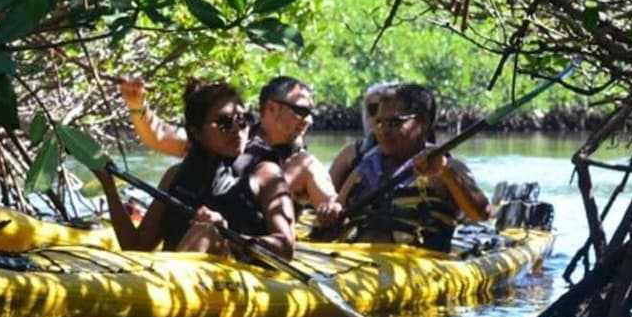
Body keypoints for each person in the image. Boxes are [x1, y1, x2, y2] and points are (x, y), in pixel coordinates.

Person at [96, 80, 296, 260]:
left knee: (206, 231)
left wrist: (229, 235)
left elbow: (286, 247)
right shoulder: (175, 176)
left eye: (243, 119)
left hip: (234, 278)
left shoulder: (266, 173)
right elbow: (136, 246)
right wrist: (109, 187)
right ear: (196, 132)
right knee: (205, 231)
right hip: (183, 277)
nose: (238, 129)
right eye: (225, 122)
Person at [117, 74, 340, 222]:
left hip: (249, 248)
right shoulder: (228, 138)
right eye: (300, 111)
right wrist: (137, 105)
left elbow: (331, 207)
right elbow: (160, 137)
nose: (308, 120)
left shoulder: (303, 163)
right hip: (204, 232)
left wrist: (330, 211)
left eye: (311, 113)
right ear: (271, 108)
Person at [333, 83, 490, 252]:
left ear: (423, 122)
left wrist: (446, 171)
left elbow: (480, 214)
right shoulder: (364, 168)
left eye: (394, 122)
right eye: (379, 122)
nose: (383, 131)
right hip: (356, 261)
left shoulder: (446, 167)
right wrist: (330, 216)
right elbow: (335, 218)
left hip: (419, 266)